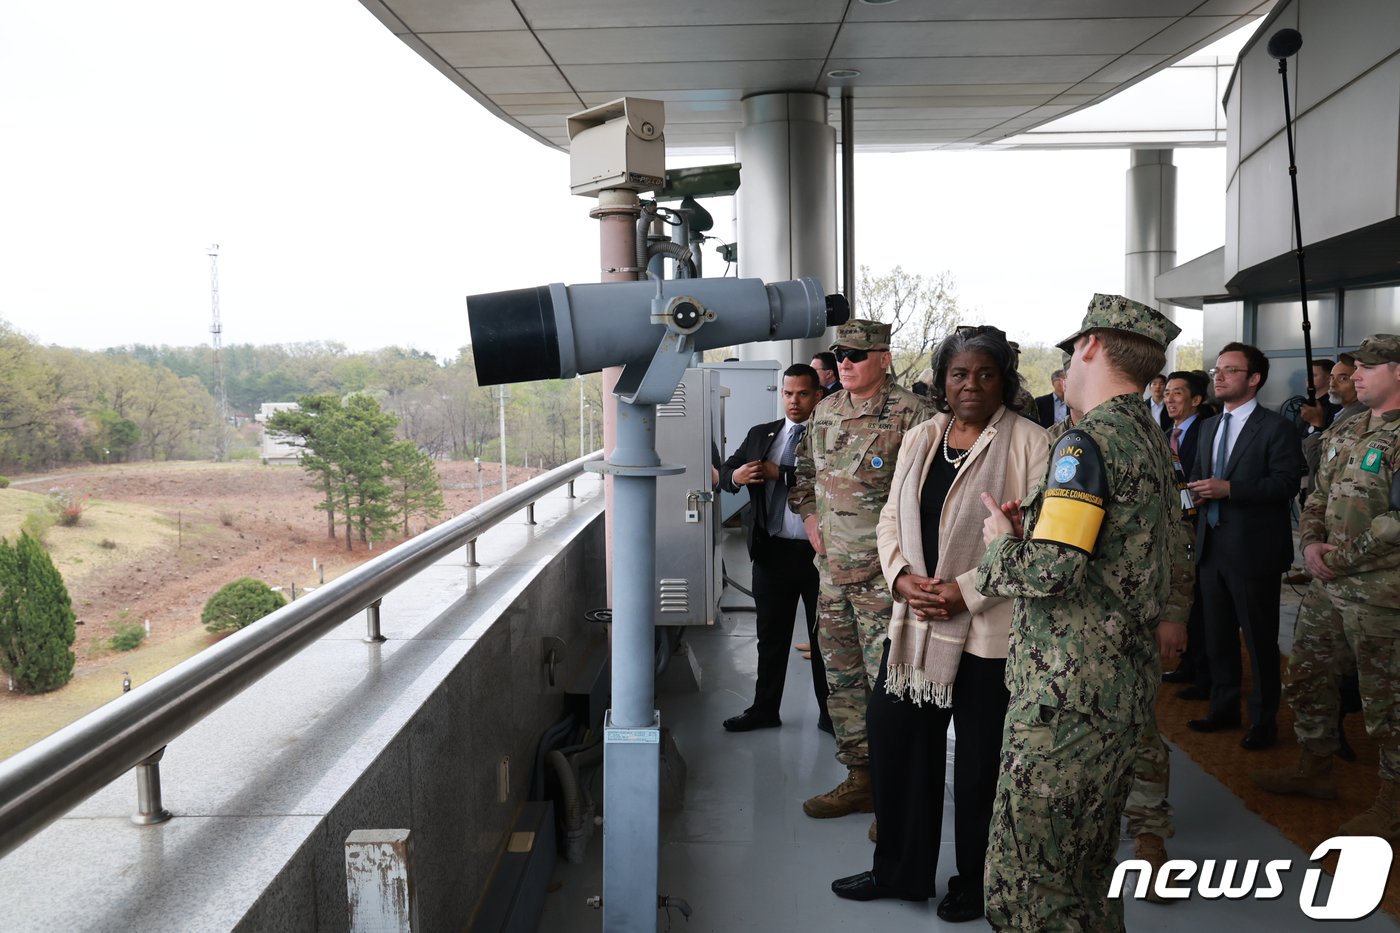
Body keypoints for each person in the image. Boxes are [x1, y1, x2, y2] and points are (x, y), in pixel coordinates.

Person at [975, 294, 1193, 931]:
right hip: (1116, 687)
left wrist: (1001, 545)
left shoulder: (1084, 443)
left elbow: (1053, 570)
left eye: (1074, 347)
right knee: (1087, 871)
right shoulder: (1148, 435)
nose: (1071, 356)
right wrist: (1041, 528)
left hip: (1065, 700)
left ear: (1093, 346)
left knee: (1034, 884)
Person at [829, 326, 1047, 919]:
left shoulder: (1033, 442)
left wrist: (963, 592)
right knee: (897, 742)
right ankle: (900, 872)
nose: (971, 384)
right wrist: (901, 578)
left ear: (1004, 379)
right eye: (959, 373)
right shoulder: (922, 437)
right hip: (915, 625)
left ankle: (975, 884)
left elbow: (1035, 537)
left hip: (987, 633)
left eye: (985, 373)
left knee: (981, 766)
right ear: (941, 380)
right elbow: (888, 521)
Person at [1252, 334, 1400, 844]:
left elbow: (1396, 522)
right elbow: (1316, 492)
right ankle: (1314, 768)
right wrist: (1312, 543)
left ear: (1399, 372)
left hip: (1384, 594)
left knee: (1388, 703)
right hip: (1328, 584)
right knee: (1309, 677)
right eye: (1355, 367)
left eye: (1369, 368)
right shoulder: (1351, 426)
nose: (1357, 376)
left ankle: (1393, 805)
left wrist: (1339, 558)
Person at [789, 320, 932, 820]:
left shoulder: (915, 416)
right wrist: (810, 520)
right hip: (831, 577)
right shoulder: (824, 410)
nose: (844, 363)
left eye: (856, 354)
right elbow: (803, 474)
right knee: (842, 681)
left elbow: (932, 498)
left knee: (888, 688)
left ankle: (896, 796)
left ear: (884, 359)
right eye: (839, 354)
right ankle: (861, 778)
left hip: (885, 581)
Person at [1185, 343, 1305, 750]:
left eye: (1230, 371)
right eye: (1217, 369)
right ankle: (1223, 709)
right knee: (1217, 637)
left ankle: (1263, 720)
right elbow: (1199, 478)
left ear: (1253, 379)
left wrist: (1230, 489)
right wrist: (1196, 496)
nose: (1218, 376)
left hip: (1253, 552)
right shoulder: (1207, 426)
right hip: (1211, 547)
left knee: (1259, 640)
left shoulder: (1275, 428)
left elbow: (1287, 483)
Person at [719, 363, 830, 733]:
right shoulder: (762, 434)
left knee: (825, 638)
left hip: (821, 555)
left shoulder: (833, 435)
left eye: (802, 394)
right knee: (770, 637)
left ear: (817, 395)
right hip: (772, 551)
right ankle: (765, 709)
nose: (793, 402)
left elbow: (833, 478)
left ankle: (832, 717)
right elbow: (727, 473)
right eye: (787, 393)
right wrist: (736, 476)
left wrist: (777, 473)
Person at [1159, 371, 1211, 700]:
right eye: (1166, 393)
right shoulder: (1164, 434)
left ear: (1196, 400)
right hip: (1172, 532)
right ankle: (1187, 665)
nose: (1169, 399)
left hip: (1201, 528)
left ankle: (1205, 672)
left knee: (1202, 606)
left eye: (1178, 393)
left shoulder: (1206, 432)